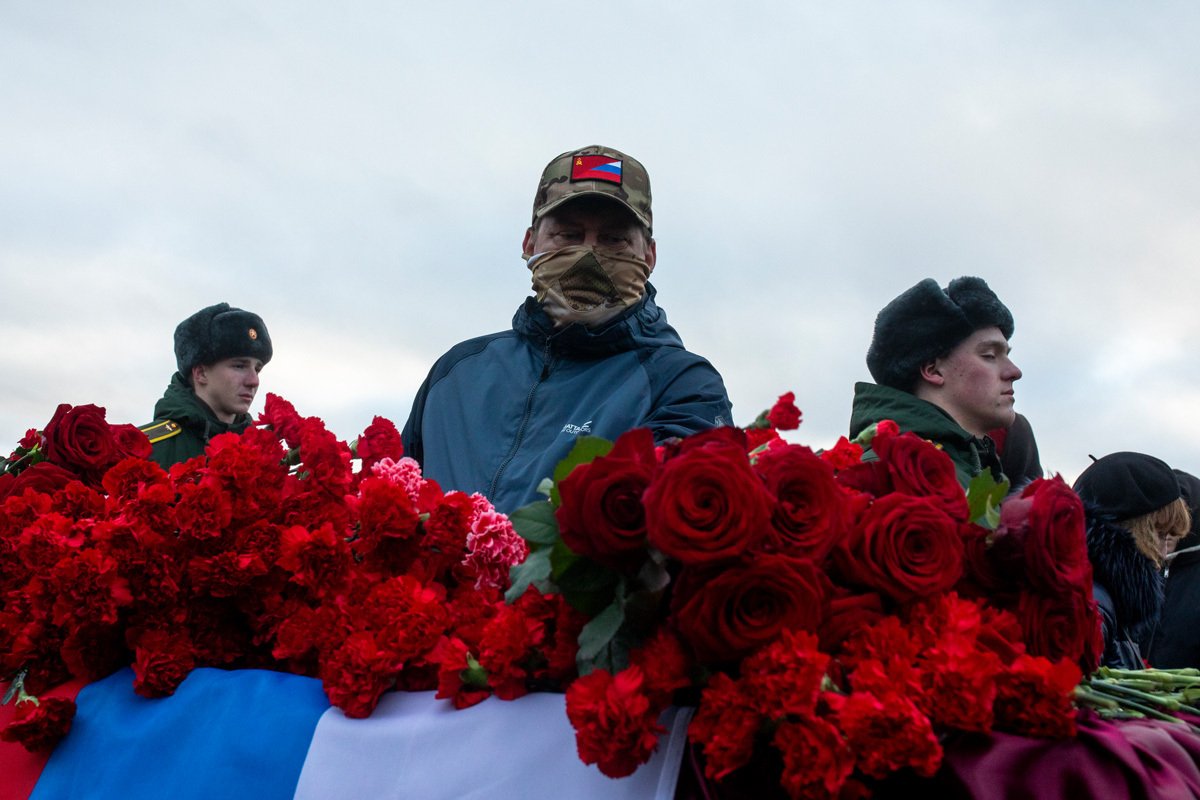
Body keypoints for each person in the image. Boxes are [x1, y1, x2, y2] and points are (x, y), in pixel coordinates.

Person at [401, 145, 733, 513]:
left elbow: (675, 526)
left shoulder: (680, 383)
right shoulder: (457, 373)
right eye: (569, 235)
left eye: (613, 239)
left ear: (649, 256)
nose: (589, 255)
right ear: (530, 243)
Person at [849, 276, 1021, 486]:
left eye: (1007, 354)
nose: (1014, 372)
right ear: (933, 370)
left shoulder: (967, 470)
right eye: (989, 356)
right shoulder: (887, 477)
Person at [1073, 452, 1191, 669]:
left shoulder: (1107, 600)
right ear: (1133, 531)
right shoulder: (1092, 607)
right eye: (1160, 534)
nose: (1164, 555)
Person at [140, 302, 273, 469]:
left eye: (257, 369)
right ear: (201, 373)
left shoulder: (263, 454)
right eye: (239, 366)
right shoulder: (145, 449)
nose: (254, 381)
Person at [1149, 469, 1200, 668]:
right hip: (1132, 694)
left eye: (1178, 523)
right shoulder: (1143, 570)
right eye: (1159, 521)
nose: (1168, 533)